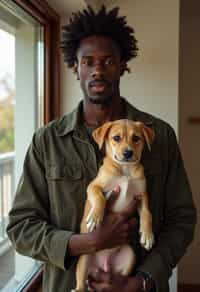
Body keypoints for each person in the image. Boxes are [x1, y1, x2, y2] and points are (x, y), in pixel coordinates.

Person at [7, 5, 196, 292]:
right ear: (75, 68)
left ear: (123, 65)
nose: (98, 70)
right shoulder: (47, 141)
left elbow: (182, 218)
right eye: (88, 62)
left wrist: (143, 281)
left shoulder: (159, 135)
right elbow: (21, 227)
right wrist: (88, 242)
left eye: (108, 61)